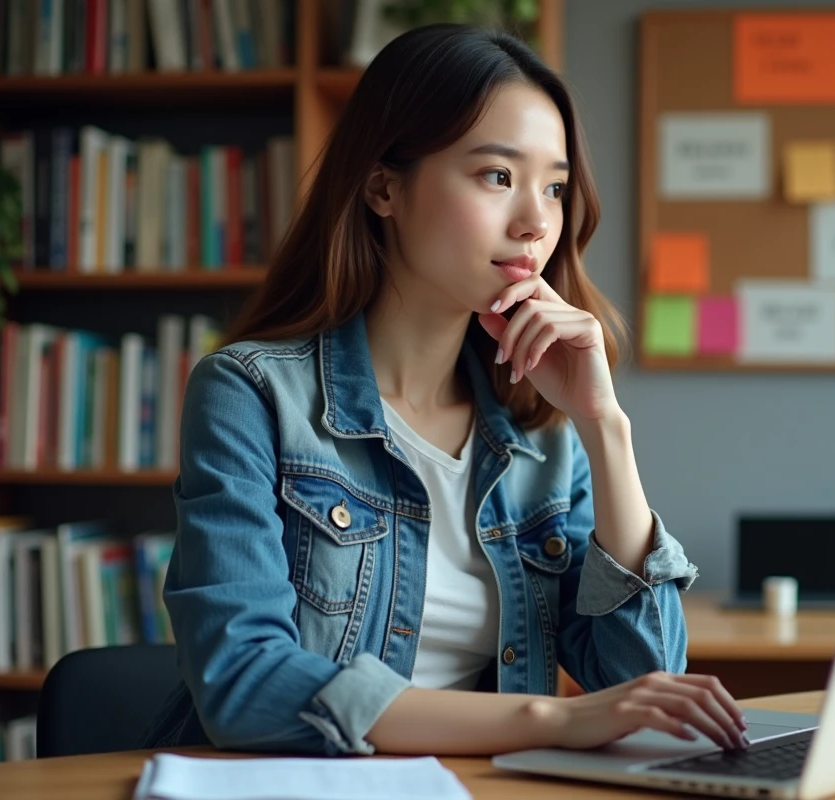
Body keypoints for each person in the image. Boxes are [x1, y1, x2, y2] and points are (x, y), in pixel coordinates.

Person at [139, 24, 749, 757]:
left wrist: (603, 425)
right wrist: (547, 721)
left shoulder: (543, 430)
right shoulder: (251, 394)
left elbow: (645, 681)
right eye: (497, 176)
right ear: (383, 186)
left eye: (554, 187)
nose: (535, 223)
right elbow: (241, 682)